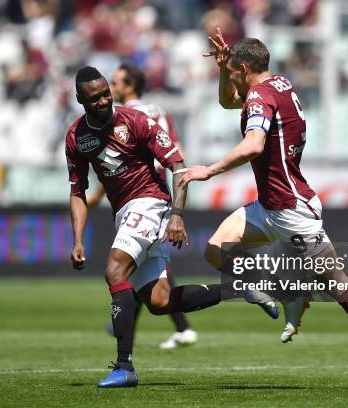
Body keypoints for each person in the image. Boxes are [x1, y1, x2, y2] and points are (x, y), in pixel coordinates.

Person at [179, 30, 348, 390]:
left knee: (335, 283)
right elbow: (229, 102)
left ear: (244, 67)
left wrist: (208, 170)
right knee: (216, 248)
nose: (234, 81)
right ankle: (278, 290)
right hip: (270, 204)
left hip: (290, 210)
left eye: (234, 71)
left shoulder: (259, 97)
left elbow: (254, 145)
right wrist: (224, 71)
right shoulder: (278, 84)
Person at [66, 66, 276, 388]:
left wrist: (177, 213)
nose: (105, 101)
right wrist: (78, 239)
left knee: (114, 270)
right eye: (95, 98)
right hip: (123, 212)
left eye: (107, 93)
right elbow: (77, 190)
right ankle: (238, 288)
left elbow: (178, 166)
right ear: (81, 100)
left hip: (151, 204)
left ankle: (124, 367)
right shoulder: (77, 137)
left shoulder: (135, 121)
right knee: (160, 302)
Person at [87, 63, 197, 350]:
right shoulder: (160, 111)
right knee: (145, 266)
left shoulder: (129, 116)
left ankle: (128, 344)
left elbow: (122, 163)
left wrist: (98, 195)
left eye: (116, 82)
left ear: (129, 85)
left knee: (124, 265)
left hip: (143, 192)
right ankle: (172, 326)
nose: (111, 87)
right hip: (163, 188)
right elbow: (176, 151)